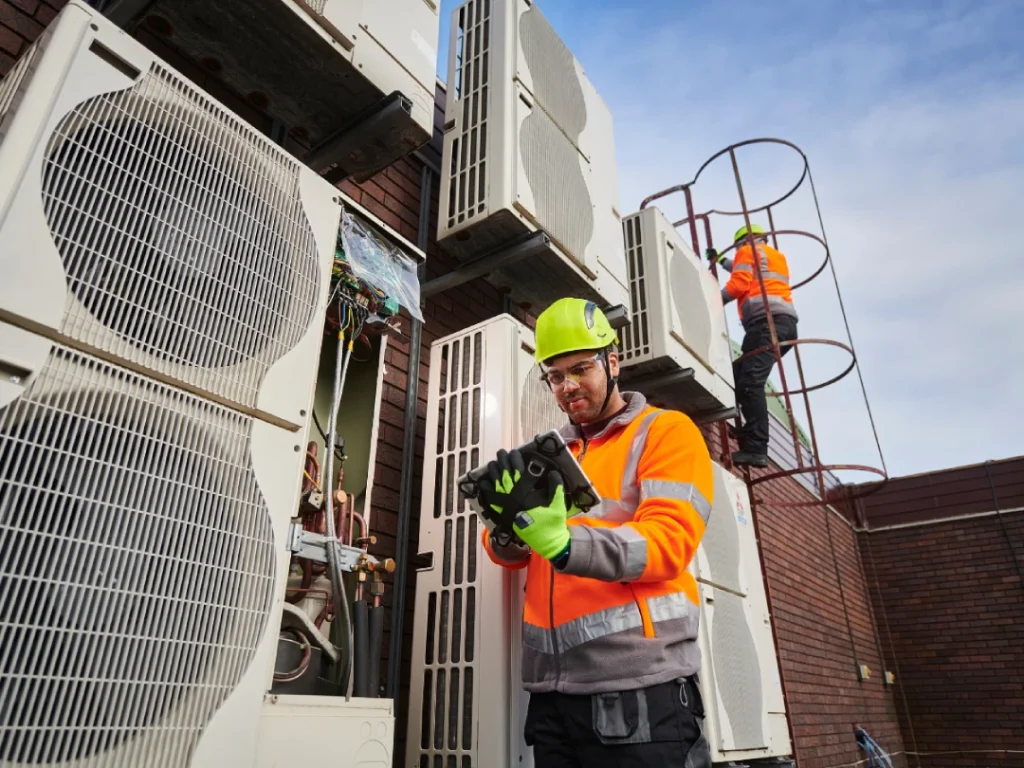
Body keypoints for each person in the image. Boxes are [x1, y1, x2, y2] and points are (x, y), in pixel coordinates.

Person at [480, 297, 714, 768]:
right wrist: (505, 527)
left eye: (580, 368)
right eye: (555, 375)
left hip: (640, 690)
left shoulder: (664, 432)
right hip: (551, 694)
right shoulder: (551, 452)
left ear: (612, 361)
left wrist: (566, 544)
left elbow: (668, 543)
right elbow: (511, 555)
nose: (567, 386)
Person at [707, 224, 799, 468]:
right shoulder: (773, 255)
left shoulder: (746, 251)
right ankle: (750, 432)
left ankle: (757, 449)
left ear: (744, 241)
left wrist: (710, 302)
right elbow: (746, 268)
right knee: (739, 378)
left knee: (750, 382)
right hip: (782, 324)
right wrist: (721, 260)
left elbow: (738, 284)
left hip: (767, 323)